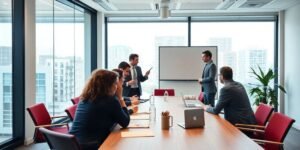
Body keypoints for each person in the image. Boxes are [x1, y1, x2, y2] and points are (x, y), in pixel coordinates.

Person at [69, 69, 130, 149]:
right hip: (91, 146)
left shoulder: (85, 97)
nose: (117, 87)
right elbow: (125, 122)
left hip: (71, 143)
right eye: (115, 83)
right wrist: (120, 97)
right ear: (108, 85)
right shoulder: (110, 100)